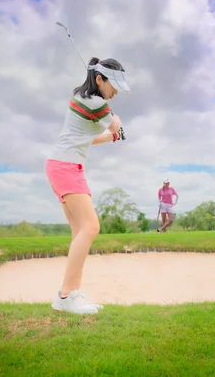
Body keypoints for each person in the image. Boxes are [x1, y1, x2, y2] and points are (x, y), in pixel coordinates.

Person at [45, 57, 130, 314]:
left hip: (65, 165)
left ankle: (73, 294)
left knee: (79, 232)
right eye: (112, 85)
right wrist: (117, 125)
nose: (115, 92)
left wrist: (111, 137)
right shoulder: (92, 101)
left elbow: (87, 140)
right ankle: (65, 295)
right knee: (91, 227)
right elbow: (114, 122)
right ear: (99, 79)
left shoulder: (87, 101)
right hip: (65, 167)